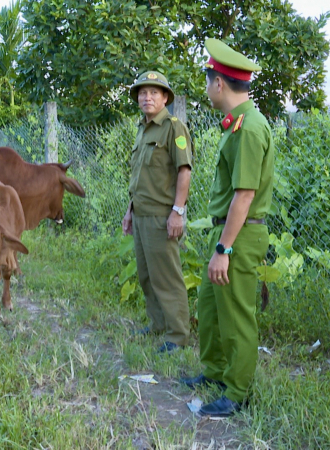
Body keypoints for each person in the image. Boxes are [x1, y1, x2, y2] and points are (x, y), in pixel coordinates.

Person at [180, 39, 275, 417]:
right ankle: (216, 372)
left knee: (235, 313)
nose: (206, 89)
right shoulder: (238, 124)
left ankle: (236, 392)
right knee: (209, 302)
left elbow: (244, 196)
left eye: (207, 81)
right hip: (230, 231)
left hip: (240, 233)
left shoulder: (249, 129)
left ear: (219, 84)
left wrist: (224, 250)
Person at [121, 71, 193, 353]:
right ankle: (158, 325)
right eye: (142, 93)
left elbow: (184, 172)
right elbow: (139, 176)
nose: (146, 97)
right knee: (147, 275)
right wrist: (129, 211)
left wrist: (178, 212)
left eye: (153, 92)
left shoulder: (174, 128)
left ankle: (178, 336)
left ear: (165, 98)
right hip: (140, 214)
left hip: (162, 217)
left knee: (167, 277)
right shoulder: (143, 128)